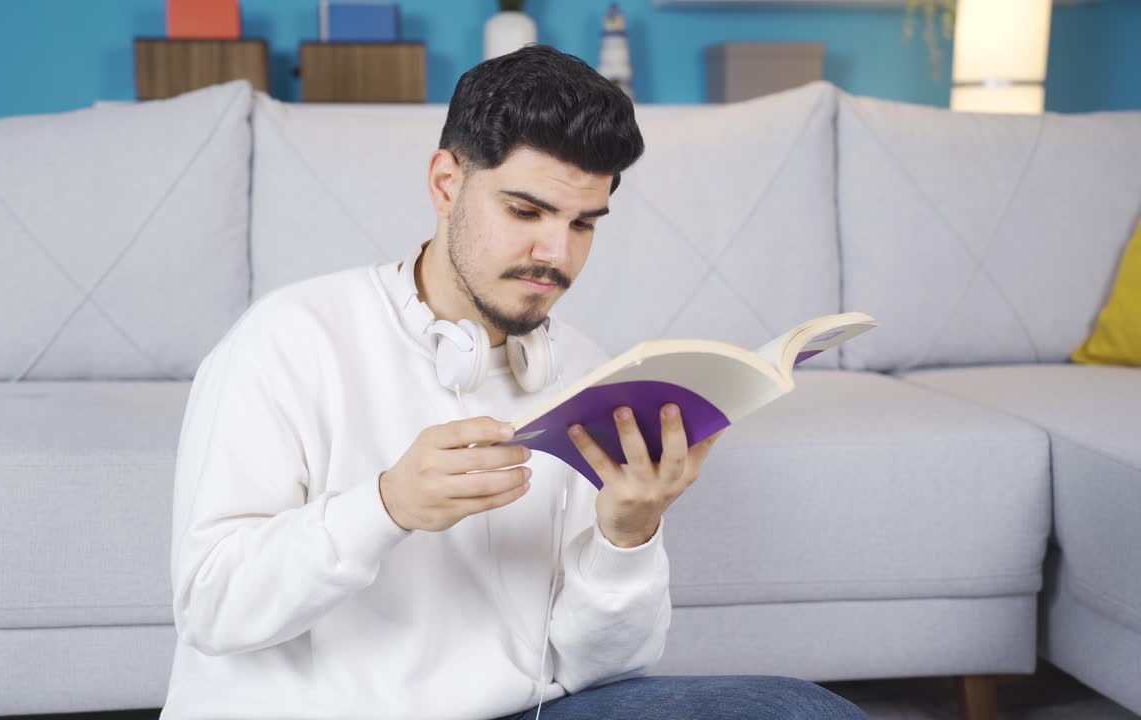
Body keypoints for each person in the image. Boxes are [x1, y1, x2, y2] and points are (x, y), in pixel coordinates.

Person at [160, 44, 865, 720]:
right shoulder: (288, 339)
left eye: (583, 224)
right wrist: (385, 506)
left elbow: (601, 668)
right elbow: (210, 607)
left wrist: (627, 536)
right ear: (446, 184)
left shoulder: (585, 371)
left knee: (800, 711)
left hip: (526, 710)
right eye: (525, 212)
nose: (555, 254)